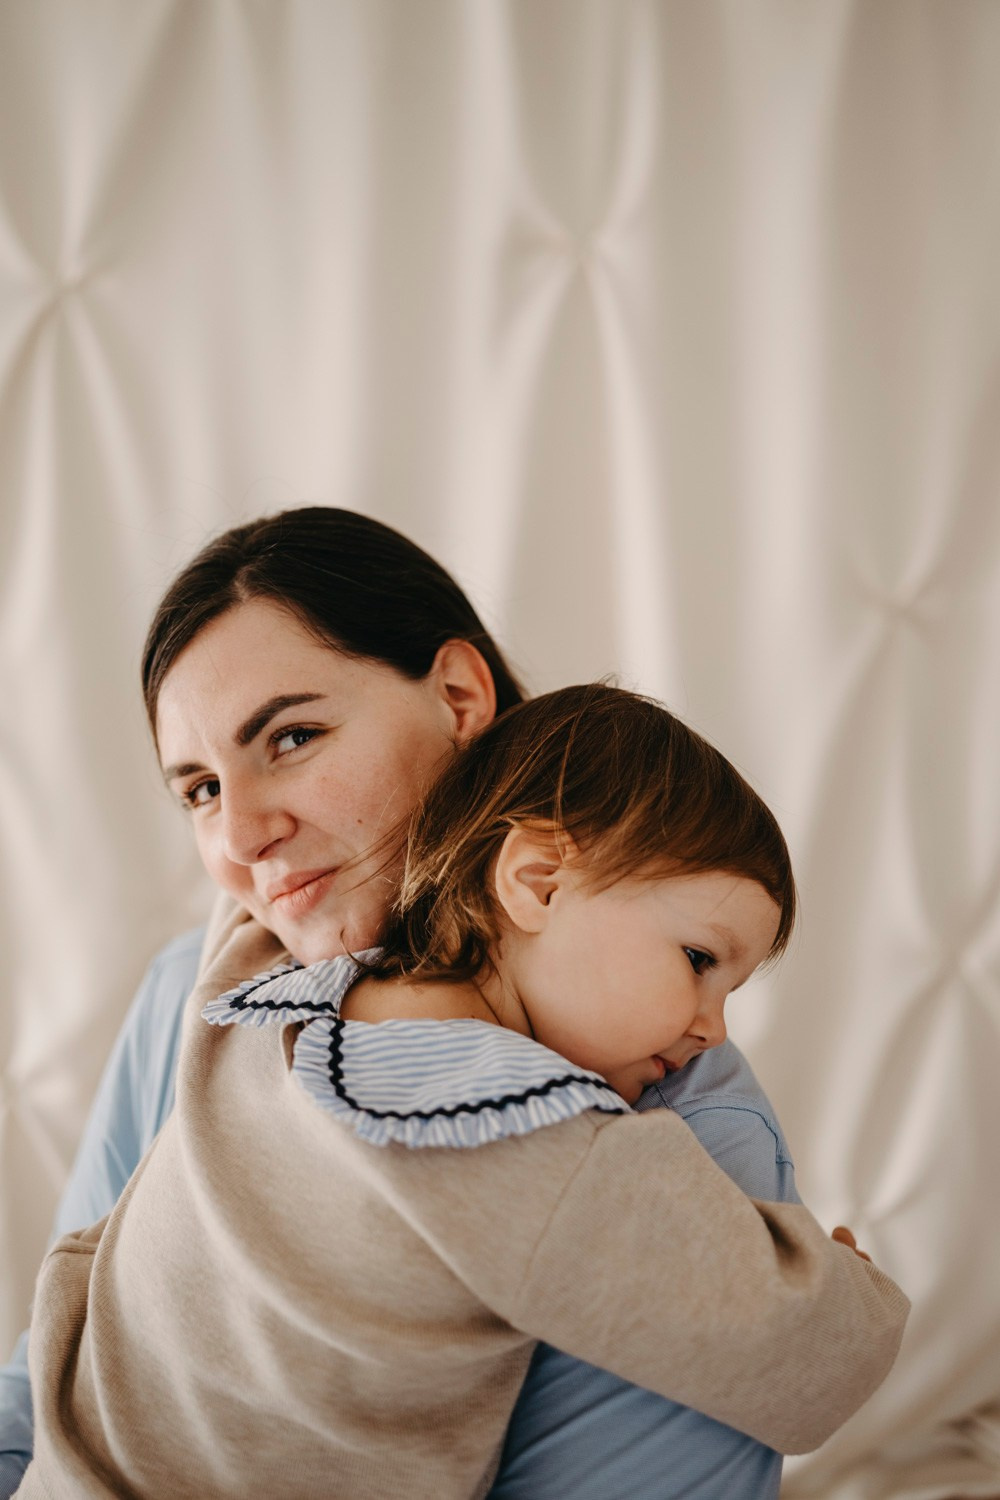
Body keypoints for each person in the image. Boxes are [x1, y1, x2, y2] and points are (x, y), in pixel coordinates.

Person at [2, 510, 907, 1498]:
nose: (245, 837)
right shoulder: (228, 975)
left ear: (461, 695)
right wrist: (842, 1291)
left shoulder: (656, 1113)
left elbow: (774, 1368)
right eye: (201, 789)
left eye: (292, 737)